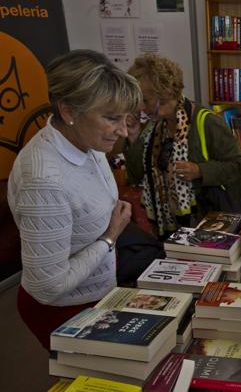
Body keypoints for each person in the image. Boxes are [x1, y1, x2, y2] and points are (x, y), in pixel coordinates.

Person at [7, 49, 141, 350]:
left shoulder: (84, 138)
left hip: (98, 292)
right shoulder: (44, 181)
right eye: (111, 118)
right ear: (68, 111)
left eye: (125, 118)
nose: (122, 130)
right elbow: (49, 286)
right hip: (63, 310)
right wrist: (109, 237)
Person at [119, 53, 241, 238]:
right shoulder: (154, 126)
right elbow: (135, 176)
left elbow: (238, 167)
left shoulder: (207, 122)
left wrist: (200, 170)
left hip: (209, 224)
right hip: (168, 228)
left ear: (165, 93)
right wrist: (133, 136)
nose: (140, 107)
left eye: (145, 100)